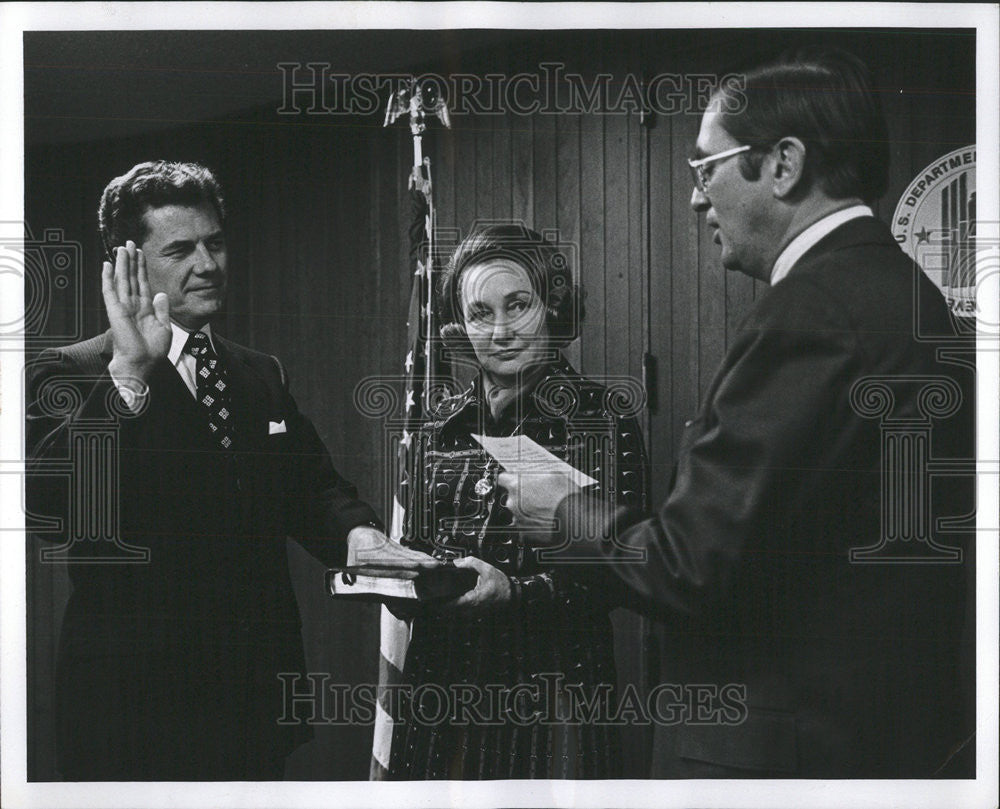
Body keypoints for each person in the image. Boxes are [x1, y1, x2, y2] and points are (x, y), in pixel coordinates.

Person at [501, 48, 974, 778]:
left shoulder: (812, 312)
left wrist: (563, 512)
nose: (696, 199)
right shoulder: (908, 297)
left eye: (705, 169)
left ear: (782, 164)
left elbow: (691, 566)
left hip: (779, 755)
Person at [25, 160, 432, 780]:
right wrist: (129, 376)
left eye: (214, 243)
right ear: (129, 263)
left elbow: (312, 487)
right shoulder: (68, 372)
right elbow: (53, 511)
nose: (207, 264)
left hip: (251, 703)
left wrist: (359, 538)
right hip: (133, 713)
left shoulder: (257, 373)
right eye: (181, 249)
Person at [383, 223, 648, 779]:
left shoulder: (599, 418)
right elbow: (418, 547)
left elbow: (627, 570)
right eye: (481, 313)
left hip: (553, 691)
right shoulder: (439, 425)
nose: (500, 330)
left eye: (518, 305)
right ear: (460, 325)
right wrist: (401, 577)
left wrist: (514, 592)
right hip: (443, 691)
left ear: (551, 307)